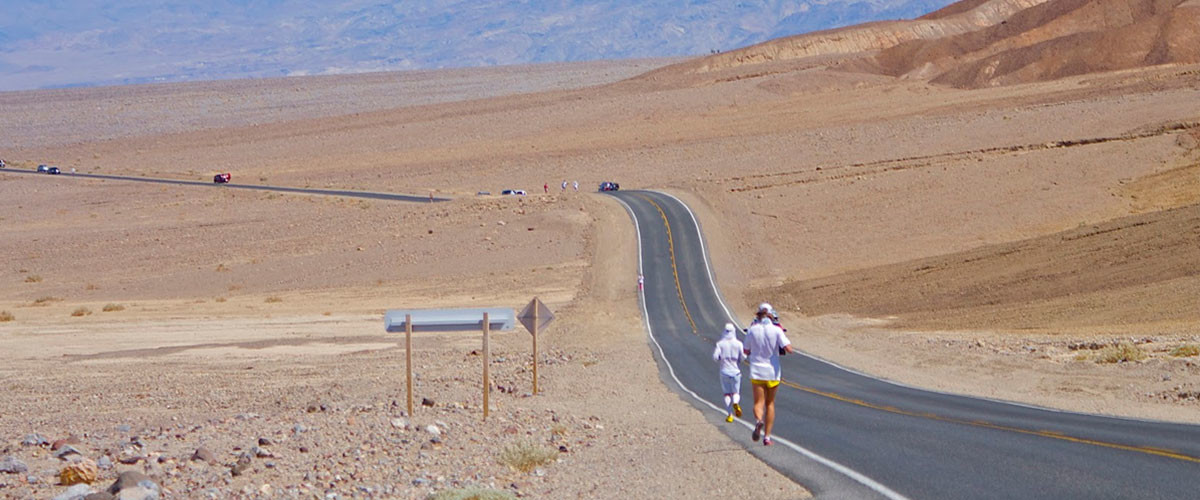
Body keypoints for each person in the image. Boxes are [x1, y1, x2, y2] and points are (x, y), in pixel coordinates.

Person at [744, 302, 793, 446]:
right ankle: (767, 437)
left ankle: (759, 420)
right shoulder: (776, 330)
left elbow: (746, 350)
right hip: (772, 372)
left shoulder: (752, 330)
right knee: (770, 403)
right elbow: (789, 349)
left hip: (757, 371)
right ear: (771, 315)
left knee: (758, 402)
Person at [712, 323, 744, 423]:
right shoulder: (738, 344)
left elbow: (715, 357)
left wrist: (721, 359)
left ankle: (730, 415)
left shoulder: (720, 344)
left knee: (727, 394)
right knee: (736, 392)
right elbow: (743, 357)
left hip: (724, 371)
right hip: (736, 371)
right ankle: (735, 402)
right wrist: (738, 360)